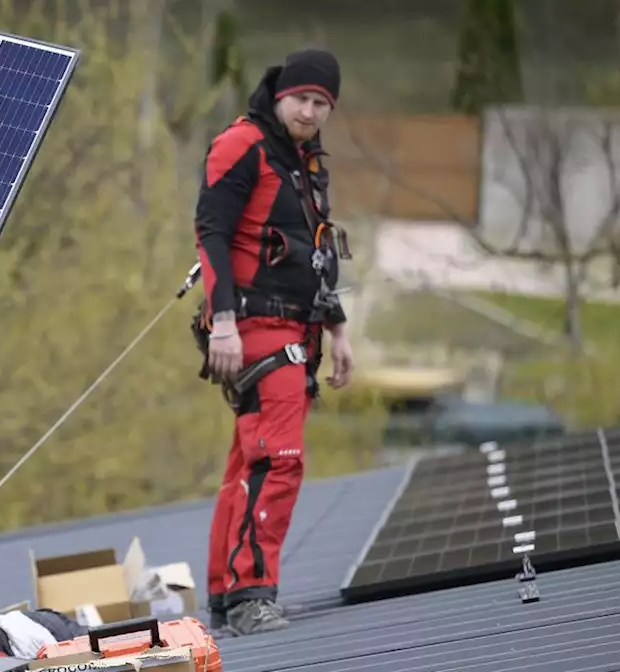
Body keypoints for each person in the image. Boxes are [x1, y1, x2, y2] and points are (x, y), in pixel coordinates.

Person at [189, 49, 355, 637]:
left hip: (297, 324)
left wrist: (336, 327)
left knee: (248, 460)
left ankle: (223, 591)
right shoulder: (243, 145)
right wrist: (225, 321)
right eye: (302, 98)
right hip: (255, 324)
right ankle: (251, 594)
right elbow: (210, 231)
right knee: (279, 459)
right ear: (279, 94)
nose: (310, 110)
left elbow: (311, 250)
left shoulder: (303, 160)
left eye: (321, 103)